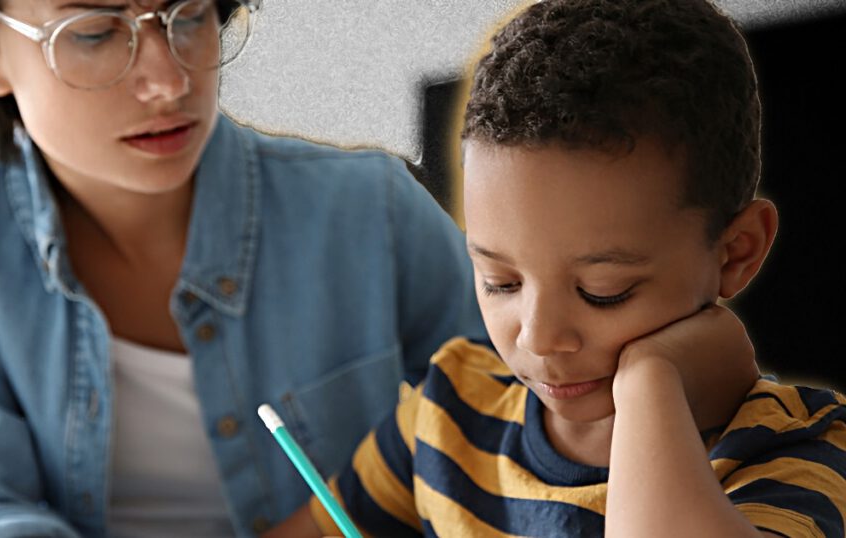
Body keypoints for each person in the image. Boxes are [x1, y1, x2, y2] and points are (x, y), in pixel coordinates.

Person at [0, 0, 486, 536]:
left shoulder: (372, 207)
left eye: (189, 14)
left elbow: (536, 424)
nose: (169, 81)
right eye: (95, 30)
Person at [266, 0, 846, 536]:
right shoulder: (451, 408)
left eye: (604, 291)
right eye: (501, 282)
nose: (538, 338)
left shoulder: (800, 452)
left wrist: (650, 379)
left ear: (737, 251)